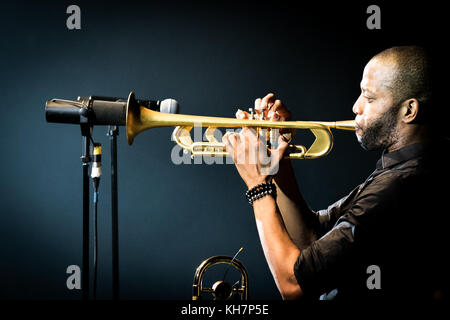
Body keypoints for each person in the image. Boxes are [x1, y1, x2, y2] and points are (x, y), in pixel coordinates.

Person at [223, 46, 448, 301]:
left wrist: (257, 186)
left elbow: (293, 286)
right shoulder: (400, 169)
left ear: (409, 110)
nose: (355, 107)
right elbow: (312, 238)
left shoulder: (401, 184)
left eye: (370, 98)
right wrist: (277, 162)